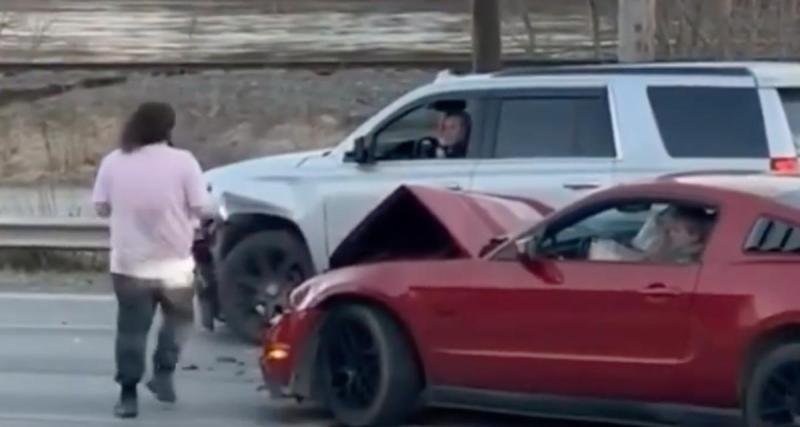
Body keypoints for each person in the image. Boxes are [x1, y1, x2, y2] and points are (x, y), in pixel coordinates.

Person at [92, 102, 211, 418]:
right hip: (175, 265)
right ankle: (163, 373)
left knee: (131, 331)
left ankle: (127, 395)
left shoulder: (113, 161)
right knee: (180, 320)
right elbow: (202, 207)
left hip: (129, 265)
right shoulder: (184, 162)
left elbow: (101, 207)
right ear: (168, 129)